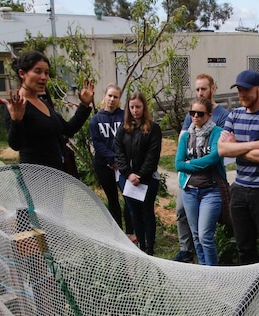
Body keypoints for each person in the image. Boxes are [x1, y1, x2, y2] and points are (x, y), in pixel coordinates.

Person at [217, 70, 259, 264]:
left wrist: (235, 146)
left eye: (246, 90)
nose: (241, 95)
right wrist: (255, 144)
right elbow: (221, 150)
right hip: (239, 188)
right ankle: (252, 290)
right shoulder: (234, 115)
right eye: (239, 90)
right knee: (243, 246)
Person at [4, 50, 94, 171]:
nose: (44, 77)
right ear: (22, 73)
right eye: (38, 71)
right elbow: (16, 145)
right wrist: (16, 121)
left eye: (46, 73)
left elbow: (68, 129)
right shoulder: (17, 105)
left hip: (56, 175)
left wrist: (84, 105)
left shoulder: (44, 103)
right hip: (34, 177)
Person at [173, 75, 231, 263]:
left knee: (206, 236)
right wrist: (193, 164)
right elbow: (178, 163)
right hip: (190, 190)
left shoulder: (217, 129)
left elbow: (214, 158)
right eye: (192, 113)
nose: (195, 117)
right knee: (196, 235)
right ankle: (203, 270)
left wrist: (191, 164)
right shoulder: (187, 134)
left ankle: (213, 273)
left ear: (209, 115)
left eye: (200, 114)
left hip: (211, 189)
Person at [114, 92, 162, 256]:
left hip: (147, 179)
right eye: (132, 107)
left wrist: (140, 175)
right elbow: (118, 153)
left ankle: (150, 246)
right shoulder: (123, 128)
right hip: (127, 179)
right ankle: (141, 244)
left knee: (147, 211)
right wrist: (128, 174)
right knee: (133, 212)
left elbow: (153, 155)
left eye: (138, 107)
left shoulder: (153, 128)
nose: (135, 110)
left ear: (144, 107)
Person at [90, 83, 128, 230]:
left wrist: (119, 160)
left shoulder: (124, 116)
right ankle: (117, 231)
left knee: (128, 197)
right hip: (103, 165)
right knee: (113, 199)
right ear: (105, 96)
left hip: (123, 165)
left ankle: (131, 231)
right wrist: (111, 159)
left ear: (119, 99)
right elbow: (97, 143)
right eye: (110, 96)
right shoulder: (96, 119)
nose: (112, 99)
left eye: (115, 97)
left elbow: (128, 139)